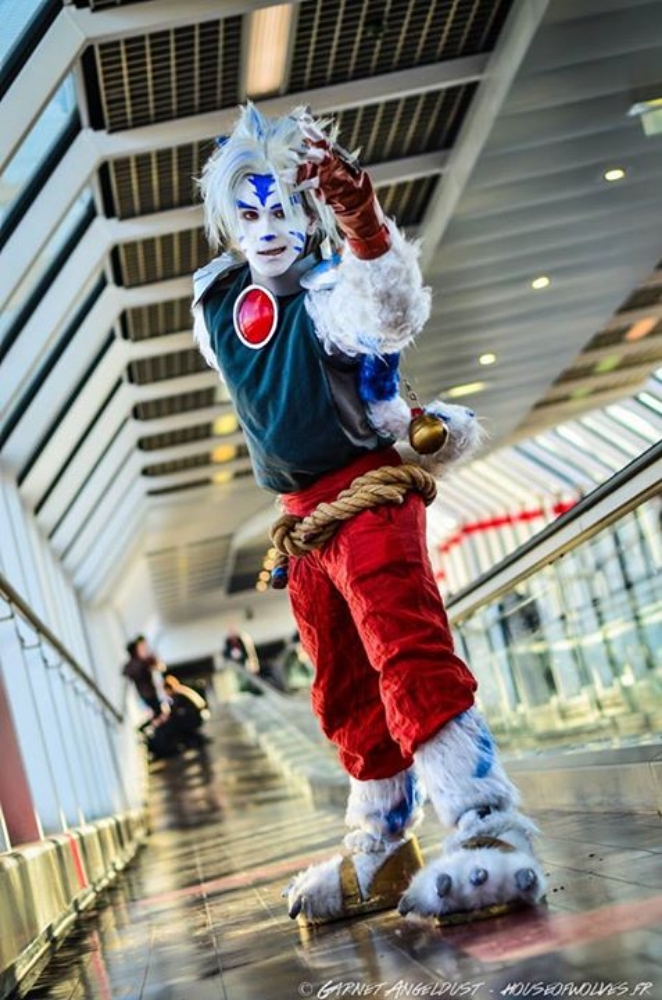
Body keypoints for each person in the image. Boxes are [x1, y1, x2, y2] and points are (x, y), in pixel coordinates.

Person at [192, 104, 545, 925]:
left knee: (406, 651)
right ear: (230, 224)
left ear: (307, 215)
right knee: (343, 687)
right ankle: (381, 845)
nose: (268, 229)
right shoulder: (217, 304)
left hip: (368, 496)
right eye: (250, 214)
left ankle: (487, 826)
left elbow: (386, 314)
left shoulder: (329, 295)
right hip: (304, 522)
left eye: (282, 209)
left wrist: (361, 217)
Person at [148, 675, 210, 759]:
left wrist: (162, 718)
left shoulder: (178, 695)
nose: (166, 693)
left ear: (168, 689)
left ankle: (176, 745)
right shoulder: (181, 690)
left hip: (195, 718)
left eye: (165, 691)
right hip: (198, 715)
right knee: (175, 721)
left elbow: (175, 712)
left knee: (172, 725)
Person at [122, 636, 164, 719]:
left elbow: (126, 675)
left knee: (155, 714)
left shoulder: (129, 665)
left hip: (142, 694)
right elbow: (158, 665)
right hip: (150, 692)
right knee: (158, 714)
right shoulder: (142, 662)